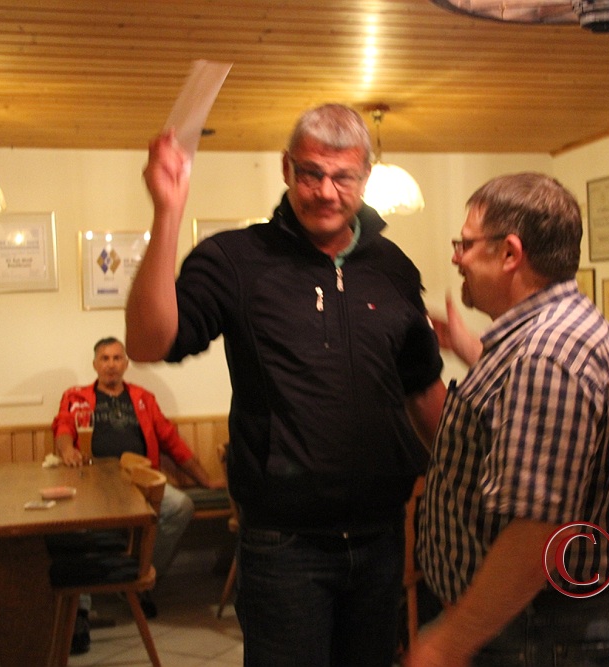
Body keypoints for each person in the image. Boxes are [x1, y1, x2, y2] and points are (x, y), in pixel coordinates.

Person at [126, 103, 446, 667]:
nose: (326, 191)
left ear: (365, 176)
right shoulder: (236, 259)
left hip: (381, 537)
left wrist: (472, 473)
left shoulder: (393, 267)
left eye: (343, 177)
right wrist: (168, 211)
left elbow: (422, 389)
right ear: (286, 168)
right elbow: (148, 342)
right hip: (283, 546)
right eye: (310, 173)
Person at [411, 173, 609, 667]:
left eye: (466, 243)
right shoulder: (553, 332)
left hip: (538, 631)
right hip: (534, 626)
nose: (457, 258)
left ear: (510, 253)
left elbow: (536, 535)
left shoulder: (546, 355)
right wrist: (469, 349)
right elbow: (520, 404)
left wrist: (447, 643)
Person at [51, 336, 223, 654]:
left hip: (138, 481)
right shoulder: (76, 397)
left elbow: (171, 441)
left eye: (117, 358)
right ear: (95, 364)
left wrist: (206, 480)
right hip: (92, 484)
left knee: (180, 506)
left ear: (126, 364)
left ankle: (139, 575)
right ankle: (80, 611)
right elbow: (62, 427)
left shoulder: (143, 398)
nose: (111, 364)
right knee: (74, 526)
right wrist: (67, 450)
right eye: (105, 358)